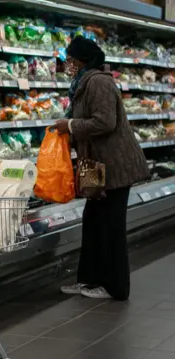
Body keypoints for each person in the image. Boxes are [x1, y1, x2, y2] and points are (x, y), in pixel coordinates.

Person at [54, 36, 149, 301]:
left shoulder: (99, 82)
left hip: (114, 165)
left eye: (71, 60)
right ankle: (88, 280)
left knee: (110, 227)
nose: (67, 65)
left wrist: (70, 126)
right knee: (93, 222)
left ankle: (115, 287)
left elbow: (105, 122)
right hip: (94, 165)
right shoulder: (82, 83)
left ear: (82, 60)